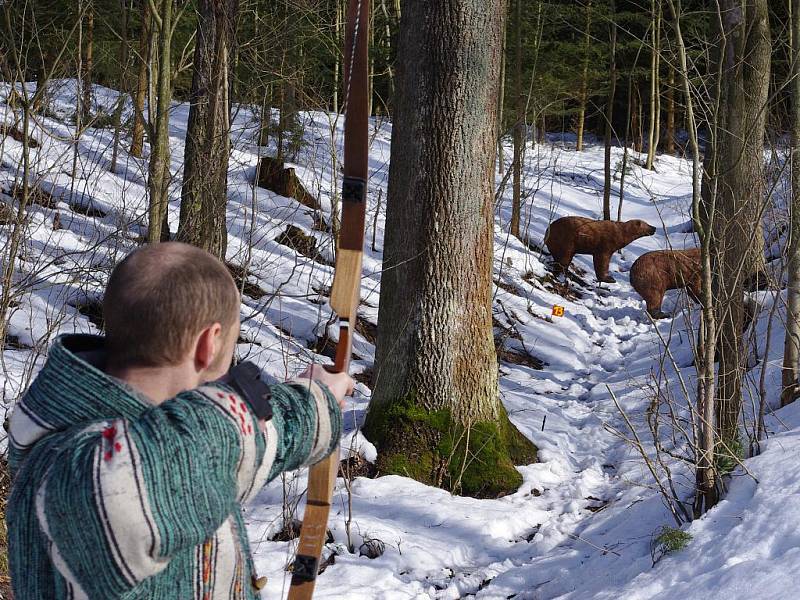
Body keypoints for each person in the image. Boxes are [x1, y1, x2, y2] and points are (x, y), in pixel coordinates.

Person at [6, 242, 353, 600]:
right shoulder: (75, 468)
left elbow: (231, 452)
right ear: (209, 343)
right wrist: (308, 403)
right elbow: (206, 449)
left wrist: (310, 405)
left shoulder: (157, 446)